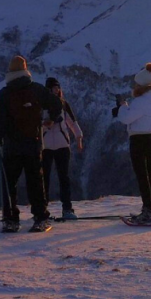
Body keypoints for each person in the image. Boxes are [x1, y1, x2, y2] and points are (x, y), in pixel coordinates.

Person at [0, 56, 62, 233]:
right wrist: (51, 119)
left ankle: (11, 219)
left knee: (10, 183)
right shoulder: (36, 89)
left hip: (11, 145)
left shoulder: (4, 93)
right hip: (33, 142)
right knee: (35, 182)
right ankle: (40, 217)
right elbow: (56, 104)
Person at [113, 63, 151, 223]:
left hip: (138, 140)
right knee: (150, 174)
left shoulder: (141, 101)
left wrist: (123, 107)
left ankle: (147, 210)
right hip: (150, 138)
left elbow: (126, 118)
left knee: (142, 175)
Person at [41, 77, 84, 220]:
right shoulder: (42, 105)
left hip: (61, 145)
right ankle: (43, 209)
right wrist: (44, 125)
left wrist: (78, 136)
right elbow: (36, 123)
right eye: (53, 88)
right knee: (45, 179)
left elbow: (72, 122)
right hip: (46, 146)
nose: (56, 90)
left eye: (57, 87)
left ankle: (66, 208)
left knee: (63, 177)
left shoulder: (63, 105)